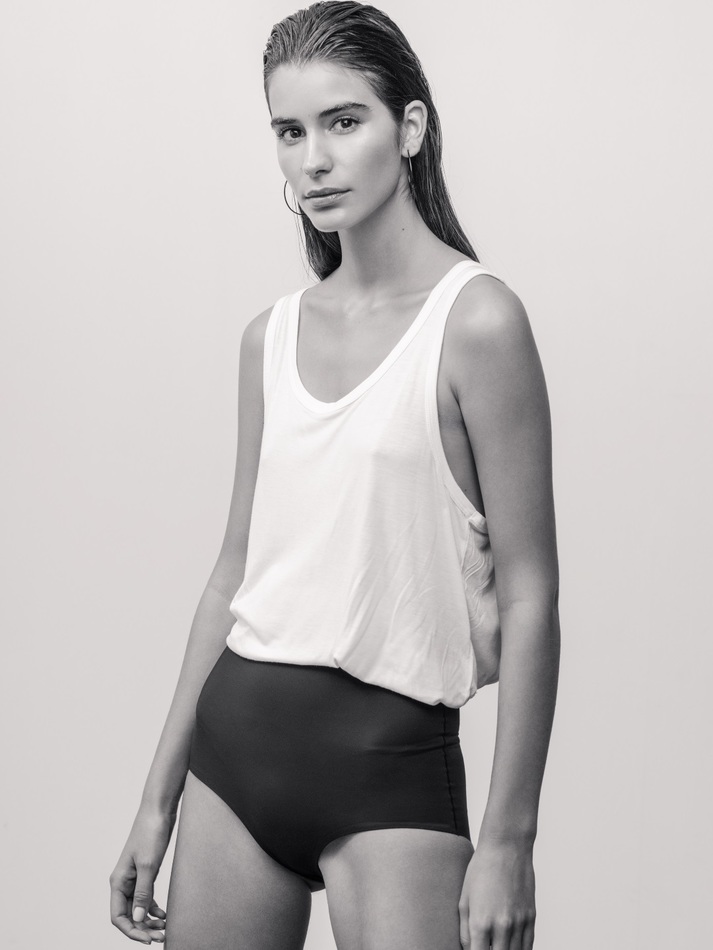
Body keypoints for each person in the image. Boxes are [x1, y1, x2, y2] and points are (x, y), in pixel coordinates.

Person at [109, 2, 561, 948]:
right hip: (233, 757)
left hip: (389, 767)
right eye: (290, 131)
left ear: (409, 127)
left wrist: (509, 840)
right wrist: (157, 799)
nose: (313, 159)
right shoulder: (268, 338)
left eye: (342, 121)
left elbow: (529, 596)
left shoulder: (477, 324)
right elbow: (232, 574)